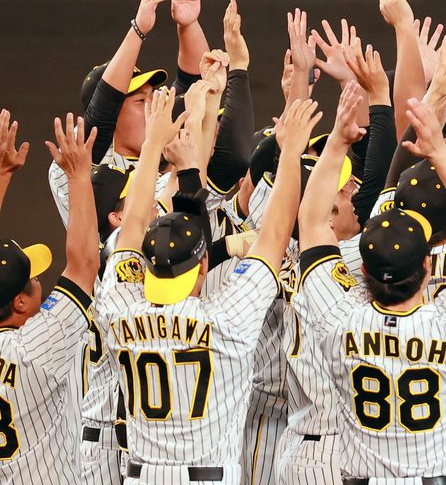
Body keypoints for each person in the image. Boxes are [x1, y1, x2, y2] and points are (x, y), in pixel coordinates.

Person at [97, 88, 313, 484]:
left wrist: (151, 147)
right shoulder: (226, 319)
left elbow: (129, 233)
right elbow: (277, 234)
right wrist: (293, 154)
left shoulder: (117, 309)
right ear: (203, 265)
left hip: (140, 477)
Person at [292, 82, 446, 483]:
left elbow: (313, 223)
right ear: (427, 263)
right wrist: (440, 151)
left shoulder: (340, 321)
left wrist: (336, 143)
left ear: (363, 270)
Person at [0, 115, 99, 485]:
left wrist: (3, 176)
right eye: (34, 279)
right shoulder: (37, 346)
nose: (40, 279)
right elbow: (85, 263)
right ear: (21, 304)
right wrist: (77, 175)